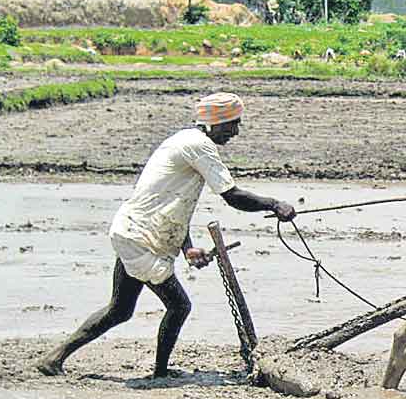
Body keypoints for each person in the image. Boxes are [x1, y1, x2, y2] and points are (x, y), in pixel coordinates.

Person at [35, 92, 297, 378]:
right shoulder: (200, 146)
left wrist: (187, 248)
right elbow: (232, 196)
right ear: (216, 122)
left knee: (119, 310)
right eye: (232, 124)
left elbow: (173, 204)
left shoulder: (183, 140)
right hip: (143, 238)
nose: (236, 131)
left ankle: (54, 358)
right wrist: (275, 204)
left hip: (133, 231)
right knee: (179, 306)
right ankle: (159, 373)